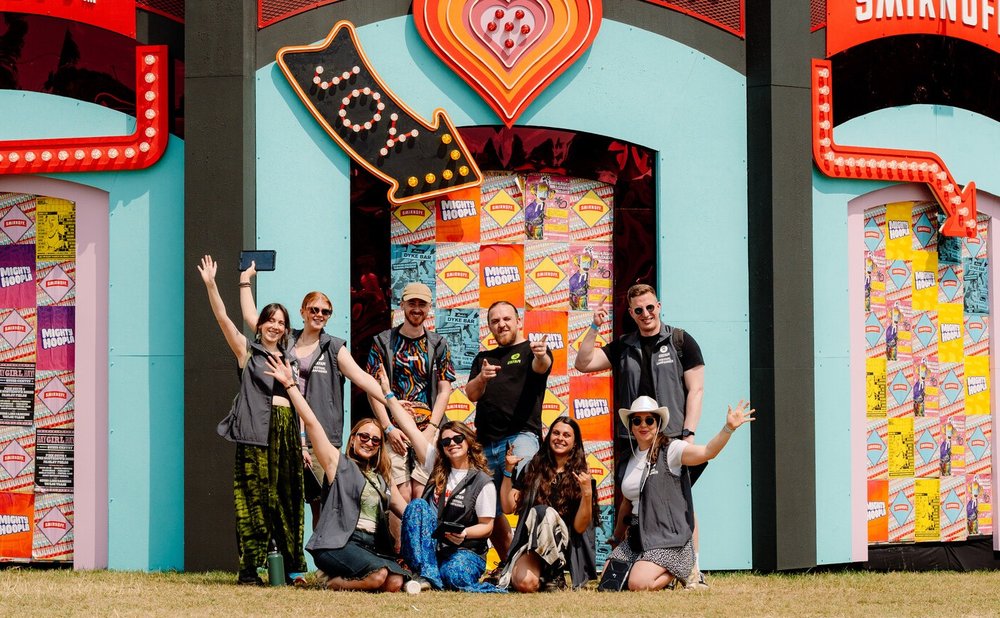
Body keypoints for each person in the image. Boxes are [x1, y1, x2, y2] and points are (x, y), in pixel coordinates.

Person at [574, 283, 708, 585]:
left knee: (683, 502)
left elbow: (696, 390)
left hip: (672, 436)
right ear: (631, 313)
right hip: (632, 440)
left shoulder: (681, 341)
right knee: (631, 498)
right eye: (638, 310)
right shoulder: (623, 345)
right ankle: (635, 554)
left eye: (650, 307)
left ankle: (693, 570)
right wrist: (594, 328)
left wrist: (688, 434)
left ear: (658, 306)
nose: (645, 314)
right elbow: (583, 364)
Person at [239, 262, 391, 528]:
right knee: (288, 502)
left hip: (322, 436)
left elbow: (362, 378)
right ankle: (290, 567)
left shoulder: (333, 347)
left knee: (324, 503)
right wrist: (245, 281)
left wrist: (392, 400)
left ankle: (324, 565)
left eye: (325, 311)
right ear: (303, 311)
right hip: (286, 433)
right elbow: (254, 319)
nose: (319, 314)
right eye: (314, 309)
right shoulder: (285, 340)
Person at [196, 255, 306, 586]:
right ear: (260, 325)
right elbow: (225, 318)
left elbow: (298, 404)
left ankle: (291, 568)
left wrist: (301, 442)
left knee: (288, 500)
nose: (275, 325)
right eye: (269, 320)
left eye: (280, 322)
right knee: (254, 500)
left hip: (287, 434)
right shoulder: (247, 351)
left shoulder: (291, 359)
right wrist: (213, 285)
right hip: (257, 434)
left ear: (286, 328)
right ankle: (249, 570)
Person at [265, 355, 417, 592]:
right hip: (339, 543)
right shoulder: (339, 464)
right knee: (378, 577)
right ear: (353, 438)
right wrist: (290, 386)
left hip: (371, 546)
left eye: (375, 440)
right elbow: (313, 423)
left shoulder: (382, 477)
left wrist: (435, 526)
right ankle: (332, 582)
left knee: (396, 582)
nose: (369, 442)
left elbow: (407, 512)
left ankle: (352, 578)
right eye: (363, 436)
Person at [607, 395, 753, 591]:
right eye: (637, 420)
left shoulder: (672, 450)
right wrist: (617, 538)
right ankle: (649, 566)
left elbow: (708, 452)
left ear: (658, 423)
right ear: (631, 426)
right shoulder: (627, 460)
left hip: (665, 536)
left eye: (649, 419)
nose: (643, 425)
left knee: (637, 584)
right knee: (610, 580)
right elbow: (627, 502)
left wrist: (728, 429)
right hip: (637, 535)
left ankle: (680, 569)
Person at [377, 365, 499, 592]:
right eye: (445, 442)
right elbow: (410, 428)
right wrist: (388, 394)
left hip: (467, 551)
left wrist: (463, 533)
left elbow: (487, 527)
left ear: (469, 441)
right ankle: (426, 573)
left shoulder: (483, 482)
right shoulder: (436, 466)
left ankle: (429, 578)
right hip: (434, 548)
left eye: (457, 439)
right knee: (416, 506)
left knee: (455, 576)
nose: (452, 444)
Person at [366, 282, 455, 542]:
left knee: (424, 493)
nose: (416, 309)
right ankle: (400, 558)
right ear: (402, 305)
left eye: (422, 304)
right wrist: (388, 428)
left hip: (428, 427)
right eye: (412, 303)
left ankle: (423, 555)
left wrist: (432, 429)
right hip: (394, 428)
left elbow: (445, 390)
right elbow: (374, 389)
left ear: (429, 308)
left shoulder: (438, 344)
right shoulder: (382, 342)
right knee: (398, 496)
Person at [466, 300, 553, 561]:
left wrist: (540, 355)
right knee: (487, 509)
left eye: (507, 319)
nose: (501, 324)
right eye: (495, 321)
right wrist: (482, 377)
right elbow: (471, 394)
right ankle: (509, 566)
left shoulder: (531, 351)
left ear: (518, 321)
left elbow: (542, 365)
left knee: (527, 494)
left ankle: (537, 562)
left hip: (520, 438)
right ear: (489, 326)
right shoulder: (483, 358)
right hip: (484, 444)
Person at [498, 416, 597, 592]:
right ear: (549, 436)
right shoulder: (532, 468)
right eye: (556, 433)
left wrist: (587, 493)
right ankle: (546, 576)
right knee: (524, 584)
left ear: (575, 443)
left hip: (567, 547)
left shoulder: (583, 478)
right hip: (533, 544)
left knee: (544, 512)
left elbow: (580, 527)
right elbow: (507, 507)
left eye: (567, 435)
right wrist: (508, 471)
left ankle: (555, 570)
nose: (560, 438)